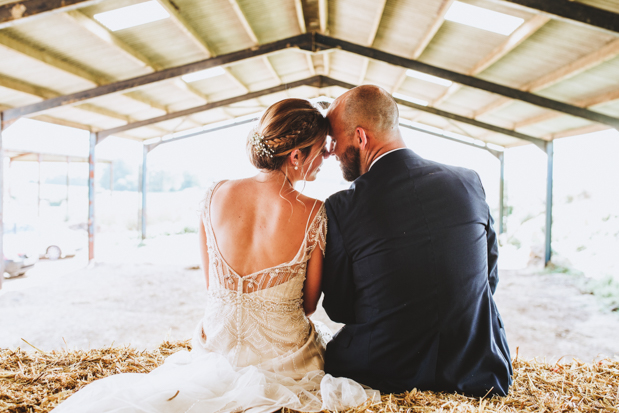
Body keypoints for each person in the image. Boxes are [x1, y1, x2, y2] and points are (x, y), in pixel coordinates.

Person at [51, 98, 377, 413]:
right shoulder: (314, 213)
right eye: (321, 151)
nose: (324, 159)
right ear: (295, 156)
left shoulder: (214, 194)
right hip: (286, 362)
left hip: (215, 355)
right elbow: (308, 306)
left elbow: (213, 287)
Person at [321, 85, 513, 396]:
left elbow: (340, 308)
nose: (330, 151)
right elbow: (488, 279)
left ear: (360, 137)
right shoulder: (468, 182)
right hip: (478, 369)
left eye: (334, 139)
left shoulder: (342, 207)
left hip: (382, 372)